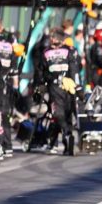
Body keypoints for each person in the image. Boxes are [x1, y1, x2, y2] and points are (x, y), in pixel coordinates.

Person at [40, 27, 80, 155]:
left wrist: (77, 86)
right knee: (58, 115)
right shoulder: (48, 52)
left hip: (65, 87)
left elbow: (74, 70)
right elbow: (42, 71)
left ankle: (67, 142)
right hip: (58, 88)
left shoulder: (68, 52)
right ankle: (64, 138)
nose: (52, 39)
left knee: (64, 115)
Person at [0, 18, 18, 158]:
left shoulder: (8, 42)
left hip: (2, 82)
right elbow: (14, 68)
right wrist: (16, 85)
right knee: (4, 115)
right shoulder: (10, 42)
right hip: (7, 83)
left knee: (1, 114)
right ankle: (7, 145)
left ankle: (2, 145)